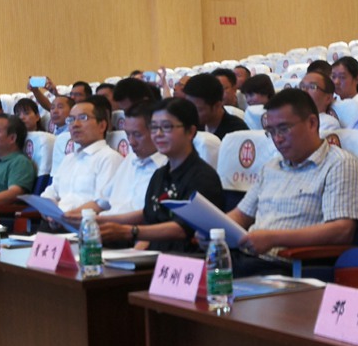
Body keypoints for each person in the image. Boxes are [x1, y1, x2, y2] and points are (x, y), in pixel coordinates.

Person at [226, 89, 358, 274]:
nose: (277, 139)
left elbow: (341, 231)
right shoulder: (271, 167)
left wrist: (274, 239)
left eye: (284, 129)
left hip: (284, 266)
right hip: (243, 257)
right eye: (271, 131)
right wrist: (214, 231)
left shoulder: (338, 164)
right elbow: (241, 215)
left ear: (312, 123)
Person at [96, 98, 224, 253]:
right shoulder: (159, 175)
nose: (158, 134)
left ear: (190, 131)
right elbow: (149, 218)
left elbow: (183, 229)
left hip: (187, 258)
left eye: (166, 127)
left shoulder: (203, 177)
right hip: (153, 256)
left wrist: (130, 231)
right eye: (154, 128)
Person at [65, 102, 167, 219]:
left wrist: (101, 221)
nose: (131, 142)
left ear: (157, 132)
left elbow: (149, 215)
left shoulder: (166, 166)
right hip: (105, 223)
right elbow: (101, 202)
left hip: (124, 227)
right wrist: (68, 216)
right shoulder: (129, 160)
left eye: (137, 135)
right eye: (127, 134)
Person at [40, 99, 123, 213]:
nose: (75, 124)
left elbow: (103, 203)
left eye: (83, 118)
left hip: (85, 222)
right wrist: (49, 210)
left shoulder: (110, 158)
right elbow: (50, 192)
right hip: (57, 218)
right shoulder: (69, 158)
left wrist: (65, 216)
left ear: (102, 126)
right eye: (71, 119)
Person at [182, 73, 248, 139]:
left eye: (198, 110)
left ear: (217, 106)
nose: (191, 114)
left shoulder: (236, 132)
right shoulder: (192, 126)